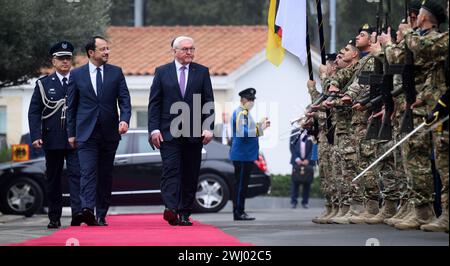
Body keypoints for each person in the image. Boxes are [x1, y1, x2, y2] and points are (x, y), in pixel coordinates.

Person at [148, 36, 215, 226]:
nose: (189, 52)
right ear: (174, 51)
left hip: (194, 132)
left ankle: (185, 212)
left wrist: (208, 127)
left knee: (190, 173)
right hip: (168, 133)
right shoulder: (162, 72)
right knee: (171, 170)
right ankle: (171, 209)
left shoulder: (202, 72)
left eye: (192, 49)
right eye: (185, 49)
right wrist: (153, 130)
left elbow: (208, 102)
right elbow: (154, 104)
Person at [67, 36, 131, 226]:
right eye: (102, 49)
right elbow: (71, 106)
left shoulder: (116, 72)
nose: (106, 52)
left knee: (105, 174)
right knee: (87, 171)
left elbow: (125, 100)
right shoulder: (77, 75)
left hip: (109, 132)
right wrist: (71, 133)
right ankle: (88, 209)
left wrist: (124, 120)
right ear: (91, 53)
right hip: (86, 133)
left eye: (107, 49)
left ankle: (101, 214)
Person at [28, 41, 82, 229]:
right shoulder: (44, 84)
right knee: (54, 179)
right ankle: (54, 217)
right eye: (61, 58)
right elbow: (34, 111)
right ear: (54, 61)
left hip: (75, 138)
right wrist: (36, 135)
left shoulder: (79, 80)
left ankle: (77, 215)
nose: (65, 62)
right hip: (53, 138)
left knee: (77, 177)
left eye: (68, 58)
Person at [229, 88, 270, 220]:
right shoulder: (241, 113)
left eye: (253, 100)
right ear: (243, 100)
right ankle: (238, 212)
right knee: (241, 185)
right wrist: (260, 129)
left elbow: (248, 128)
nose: (252, 102)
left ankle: (239, 211)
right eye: (250, 99)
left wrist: (260, 124)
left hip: (244, 154)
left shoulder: (244, 113)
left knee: (242, 184)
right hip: (242, 154)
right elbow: (244, 132)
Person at [289, 123, 314, 209]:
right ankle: (293, 202)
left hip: (308, 162)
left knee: (307, 183)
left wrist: (308, 159)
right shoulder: (294, 132)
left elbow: (313, 147)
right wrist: (297, 158)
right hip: (296, 162)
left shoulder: (311, 133)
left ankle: (305, 202)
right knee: (295, 182)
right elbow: (291, 146)